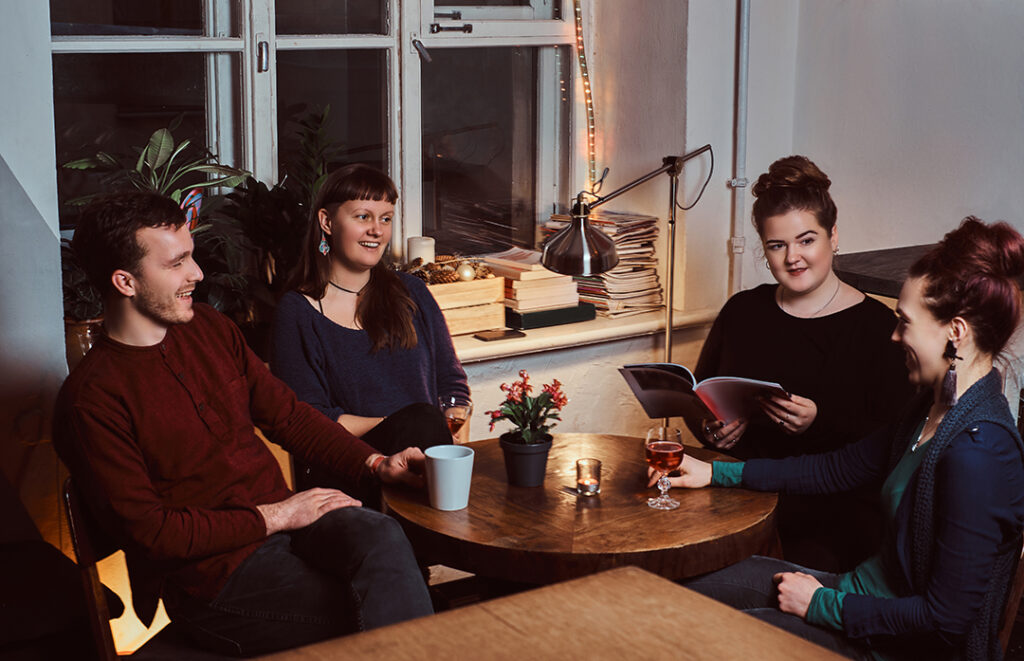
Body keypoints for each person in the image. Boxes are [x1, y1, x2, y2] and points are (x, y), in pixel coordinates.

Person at [53, 192, 434, 657]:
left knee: (381, 537)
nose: (196, 274)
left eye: (191, 256)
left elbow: (289, 416)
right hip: (216, 581)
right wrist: (276, 515)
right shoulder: (92, 399)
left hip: (291, 528)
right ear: (125, 282)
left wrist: (375, 463)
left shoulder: (208, 327)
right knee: (373, 606)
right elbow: (153, 534)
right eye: (176, 264)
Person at [657, 217, 1024, 660]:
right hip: (856, 595)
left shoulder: (980, 452)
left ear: (956, 332)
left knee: (709, 638)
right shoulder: (929, 408)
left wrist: (821, 604)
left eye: (905, 322)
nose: (894, 335)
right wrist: (717, 471)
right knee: (678, 588)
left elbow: (945, 623)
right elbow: (836, 467)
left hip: (883, 639)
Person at [692, 155, 913, 571]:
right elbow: (701, 398)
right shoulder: (743, 311)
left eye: (806, 240)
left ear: (833, 237)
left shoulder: (879, 328)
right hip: (736, 496)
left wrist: (820, 422)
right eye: (777, 245)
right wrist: (712, 427)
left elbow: (896, 446)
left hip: (832, 514)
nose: (793, 257)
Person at [271, 164, 470, 493]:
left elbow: (451, 382)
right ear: (327, 222)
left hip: (423, 453)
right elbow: (311, 419)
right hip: (349, 469)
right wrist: (402, 424)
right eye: (363, 216)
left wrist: (452, 422)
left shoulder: (412, 292)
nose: (377, 230)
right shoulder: (297, 312)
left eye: (386, 218)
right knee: (421, 420)